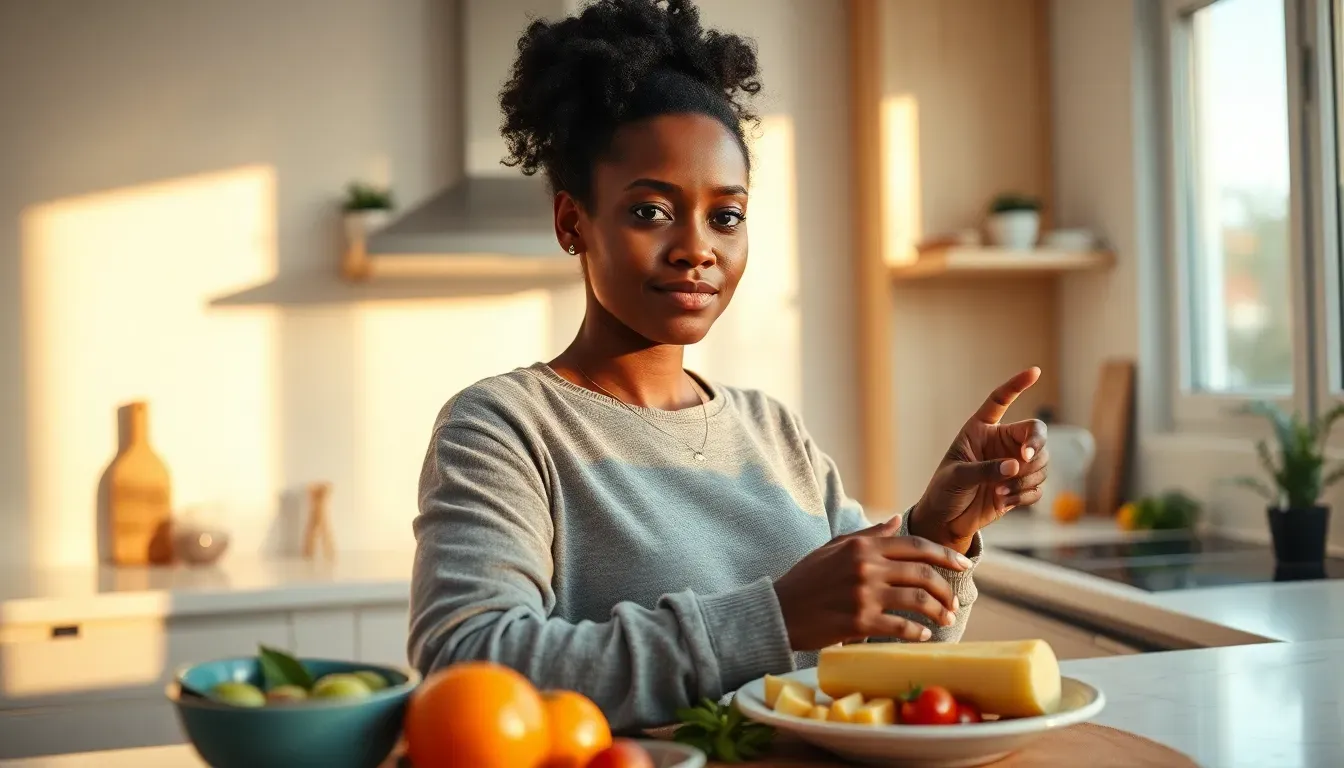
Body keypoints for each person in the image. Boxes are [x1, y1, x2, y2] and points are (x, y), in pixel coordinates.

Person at [408, 0, 1048, 732]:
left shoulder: (772, 431)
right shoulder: (504, 427)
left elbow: (876, 665)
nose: (697, 247)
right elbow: (466, 667)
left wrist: (937, 533)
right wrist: (773, 615)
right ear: (571, 222)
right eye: (651, 211)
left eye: (727, 215)